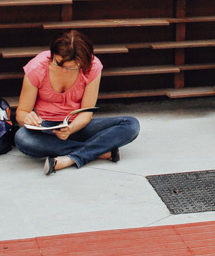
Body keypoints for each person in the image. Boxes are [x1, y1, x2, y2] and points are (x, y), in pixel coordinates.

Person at [14, 31, 140, 174]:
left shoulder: (92, 66)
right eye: (58, 63)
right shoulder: (37, 66)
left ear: (82, 62)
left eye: (70, 67)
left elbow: (86, 112)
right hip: (46, 128)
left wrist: (70, 129)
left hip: (78, 125)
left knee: (131, 124)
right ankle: (98, 151)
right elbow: (21, 112)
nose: (63, 70)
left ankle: (71, 158)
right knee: (22, 138)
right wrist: (28, 118)